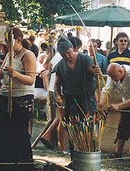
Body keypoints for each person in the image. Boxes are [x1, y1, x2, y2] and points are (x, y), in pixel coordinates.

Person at [52, 35, 101, 166]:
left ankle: (89, 162)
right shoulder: (61, 65)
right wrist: (58, 95)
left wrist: (97, 73)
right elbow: (56, 84)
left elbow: (97, 77)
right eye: (63, 55)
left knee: (88, 132)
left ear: (72, 48)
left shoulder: (85, 59)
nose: (67, 57)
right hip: (70, 102)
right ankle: (75, 161)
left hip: (86, 101)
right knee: (73, 132)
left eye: (68, 53)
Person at [0, 27, 37, 171]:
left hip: (21, 99)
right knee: (4, 135)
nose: (6, 43)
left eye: (9, 40)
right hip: (7, 98)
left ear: (18, 40)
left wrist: (16, 74)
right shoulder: (10, 54)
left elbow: (31, 79)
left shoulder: (28, 55)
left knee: (19, 135)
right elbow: (2, 74)